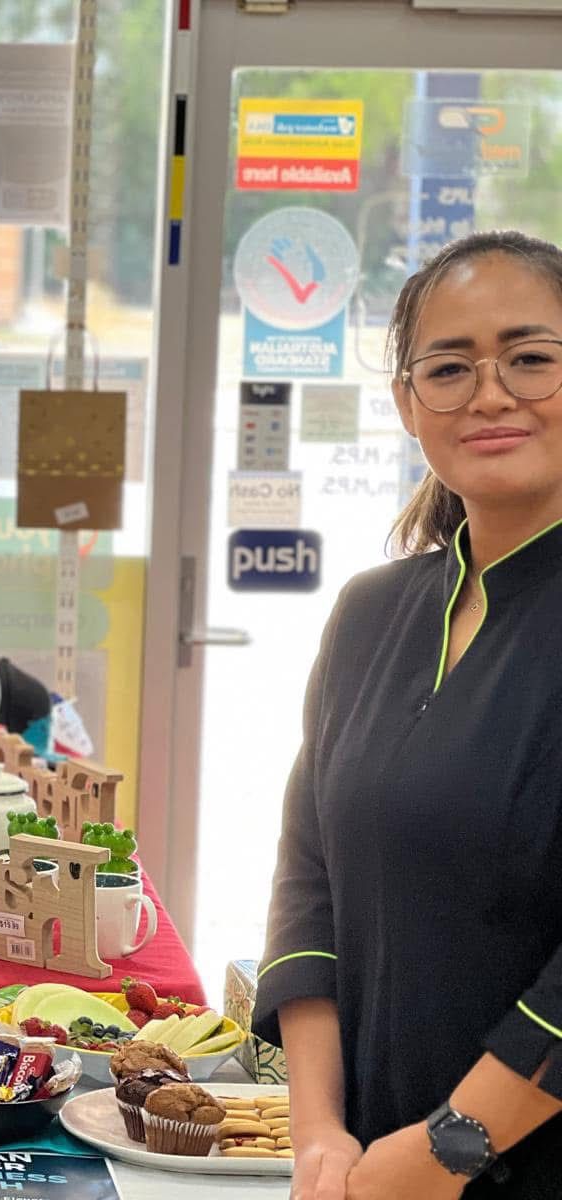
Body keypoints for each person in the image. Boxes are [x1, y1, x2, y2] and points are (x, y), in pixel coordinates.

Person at [255, 230, 562, 1200]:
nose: (490, 393)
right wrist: (319, 1135)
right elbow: (309, 880)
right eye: (449, 366)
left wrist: (445, 1151)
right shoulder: (371, 613)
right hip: (367, 1170)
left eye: (529, 357)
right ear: (405, 403)